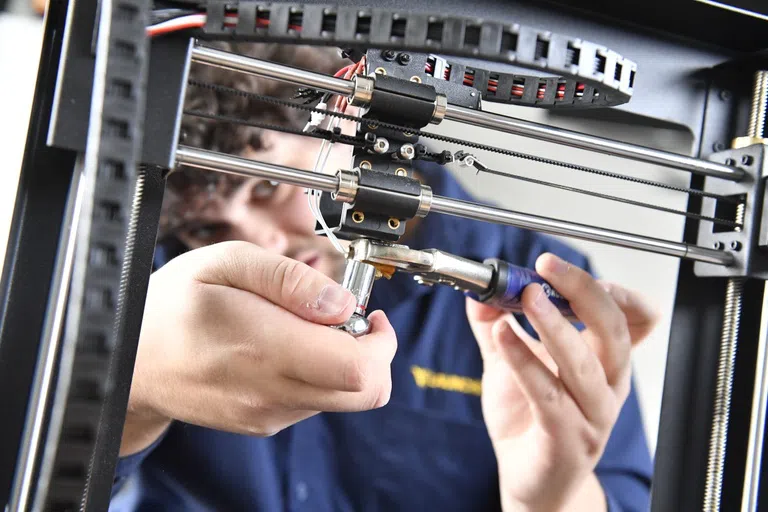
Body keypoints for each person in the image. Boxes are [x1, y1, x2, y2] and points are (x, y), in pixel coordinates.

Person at [110, 42, 659, 511]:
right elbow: (46, 480)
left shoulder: (532, 282)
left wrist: (553, 499)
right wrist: (132, 398)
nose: (263, 244)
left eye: (267, 188)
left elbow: (626, 494)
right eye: (209, 228)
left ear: (343, 121)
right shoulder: (161, 285)